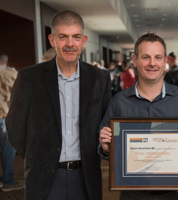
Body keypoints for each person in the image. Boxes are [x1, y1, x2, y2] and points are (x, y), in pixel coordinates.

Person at [6, 10, 111, 200]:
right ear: (52, 40)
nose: (70, 44)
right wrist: (39, 157)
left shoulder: (100, 79)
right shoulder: (29, 78)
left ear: (84, 41)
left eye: (76, 37)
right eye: (63, 37)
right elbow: (14, 128)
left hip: (86, 177)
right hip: (43, 177)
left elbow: (105, 124)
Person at [98, 32, 178, 200]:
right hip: (133, 195)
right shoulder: (118, 102)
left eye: (158, 57)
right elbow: (104, 149)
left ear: (165, 61)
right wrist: (107, 147)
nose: (152, 63)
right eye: (146, 57)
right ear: (135, 60)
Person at [0, 52, 23, 192]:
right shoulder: (11, 74)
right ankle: (8, 180)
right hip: (6, 116)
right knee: (8, 150)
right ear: (5, 61)